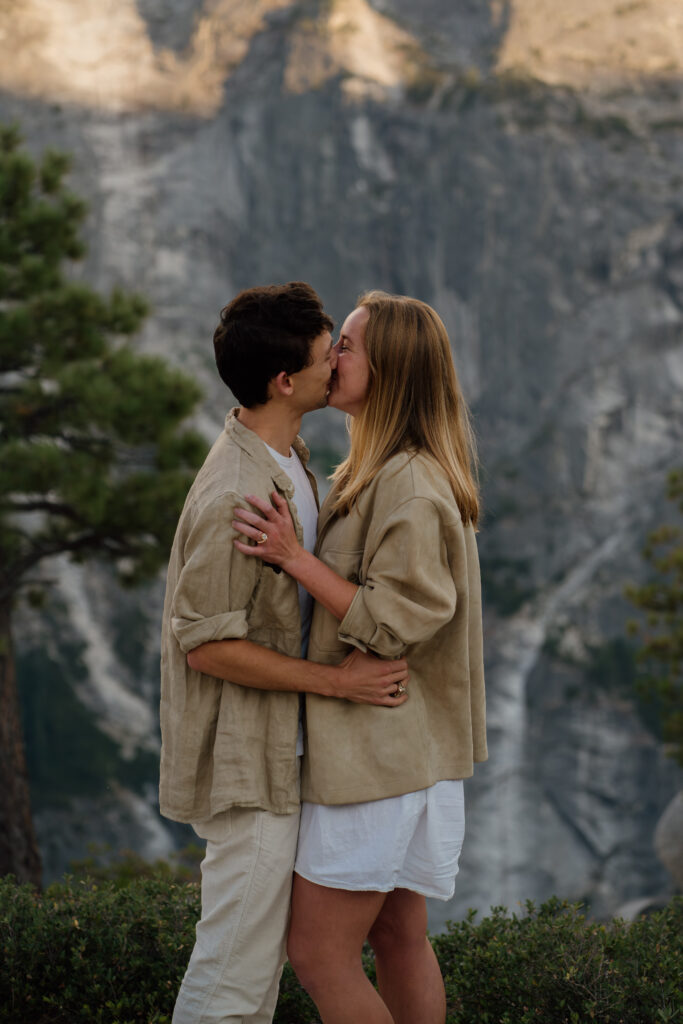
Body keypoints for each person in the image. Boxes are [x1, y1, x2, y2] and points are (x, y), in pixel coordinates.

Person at [230, 290, 487, 1024]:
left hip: (375, 762)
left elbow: (398, 620)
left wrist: (293, 559)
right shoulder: (378, 470)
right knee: (399, 937)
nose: (329, 354)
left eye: (346, 343)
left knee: (317, 954)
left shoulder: (405, 479)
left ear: (392, 369)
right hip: (412, 755)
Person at [159, 282, 409, 1024]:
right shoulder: (236, 492)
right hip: (246, 762)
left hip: (280, 754)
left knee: (251, 969)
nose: (337, 364)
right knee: (232, 976)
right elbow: (204, 644)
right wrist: (335, 684)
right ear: (283, 381)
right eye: (324, 353)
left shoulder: (286, 459)